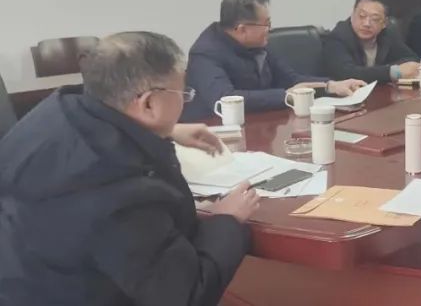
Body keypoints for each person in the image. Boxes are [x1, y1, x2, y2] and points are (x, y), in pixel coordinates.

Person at [0, 32, 259, 305]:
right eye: (184, 93)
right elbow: (187, 295)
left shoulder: (56, 110)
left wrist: (166, 130)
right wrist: (226, 221)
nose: (185, 101)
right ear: (148, 103)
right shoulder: (114, 189)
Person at [181, 0, 364, 121]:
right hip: (215, 134)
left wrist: (331, 86)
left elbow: (291, 80)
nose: (269, 29)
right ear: (242, 29)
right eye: (266, 24)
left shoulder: (259, 45)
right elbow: (225, 99)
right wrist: (285, 96)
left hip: (262, 125)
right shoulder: (205, 53)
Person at [322, 0, 421, 82]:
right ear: (352, 15)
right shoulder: (338, 37)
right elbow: (347, 73)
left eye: (375, 19)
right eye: (362, 16)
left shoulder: (387, 34)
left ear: (384, 23)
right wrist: (392, 72)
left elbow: (411, 60)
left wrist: (384, 71)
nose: (366, 23)